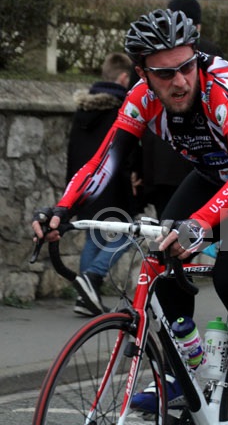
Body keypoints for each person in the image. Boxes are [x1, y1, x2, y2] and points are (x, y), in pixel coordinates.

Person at [31, 9, 228, 424]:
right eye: (165, 74)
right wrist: (61, 209)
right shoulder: (140, 99)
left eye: (186, 67)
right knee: (160, 258)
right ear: (142, 73)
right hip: (216, 173)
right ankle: (186, 367)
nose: (180, 81)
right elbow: (105, 161)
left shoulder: (221, 88)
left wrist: (198, 224)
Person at [137, 0, 222, 217]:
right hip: (199, 165)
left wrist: (136, 166)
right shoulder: (210, 54)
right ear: (198, 26)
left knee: (167, 226)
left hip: (160, 165)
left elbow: (135, 118)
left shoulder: (147, 55)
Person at [65, 51, 136, 317]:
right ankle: (92, 277)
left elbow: (72, 150)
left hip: (85, 185)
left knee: (93, 237)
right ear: (124, 78)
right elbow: (123, 150)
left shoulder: (83, 110)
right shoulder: (119, 109)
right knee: (128, 235)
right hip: (112, 185)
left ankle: (85, 297)